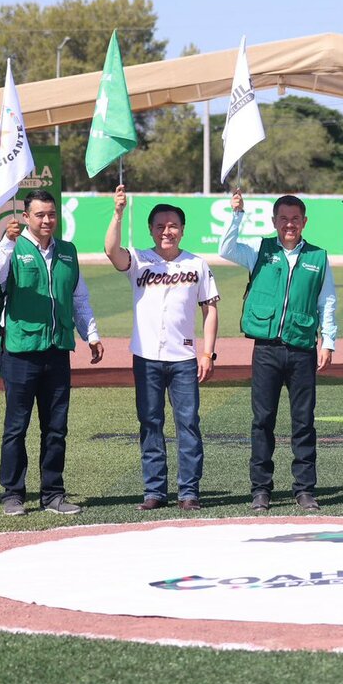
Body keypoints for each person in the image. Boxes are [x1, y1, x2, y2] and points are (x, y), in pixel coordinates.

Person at [0, 188, 103, 516]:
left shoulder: (67, 251)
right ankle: (12, 494)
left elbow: (79, 298)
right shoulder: (11, 247)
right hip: (20, 350)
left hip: (57, 348)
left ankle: (53, 494)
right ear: (26, 217)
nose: (47, 220)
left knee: (56, 428)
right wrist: (6, 243)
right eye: (39, 215)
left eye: (51, 214)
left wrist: (91, 334)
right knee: (16, 427)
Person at [220, 189, 337, 513]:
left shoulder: (318, 257)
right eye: (283, 219)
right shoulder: (260, 250)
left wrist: (328, 341)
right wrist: (236, 215)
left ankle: (305, 490)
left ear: (304, 222)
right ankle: (261, 489)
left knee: (304, 422)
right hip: (266, 349)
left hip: (302, 349)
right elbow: (225, 248)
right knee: (263, 421)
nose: (289, 224)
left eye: (295, 219)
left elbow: (327, 301)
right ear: (274, 221)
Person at [105, 185, 219, 511]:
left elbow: (210, 309)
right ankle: (154, 491)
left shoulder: (197, 264)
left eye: (173, 226)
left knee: (188, 424)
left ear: (182, 229)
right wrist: (117, 213)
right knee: (150, 423)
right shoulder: (139, 260)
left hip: (184, 359)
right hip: (146, 357)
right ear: (151, 230)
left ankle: (189, 492)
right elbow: (111, 250)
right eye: (160, 226)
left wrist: (208, 353)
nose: (166, 231)